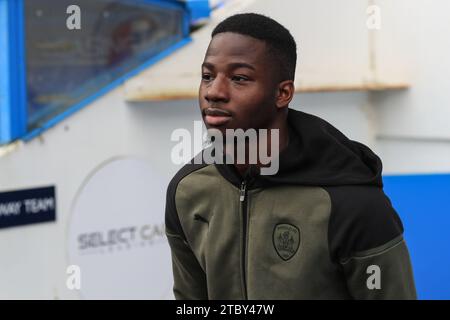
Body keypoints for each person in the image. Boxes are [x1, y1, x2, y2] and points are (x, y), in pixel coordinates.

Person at [165, 13, 417, 299]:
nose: (214, 92)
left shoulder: (352, 204)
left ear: (283, 93)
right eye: (207, 76)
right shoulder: (187, 190)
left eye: (239, 78)